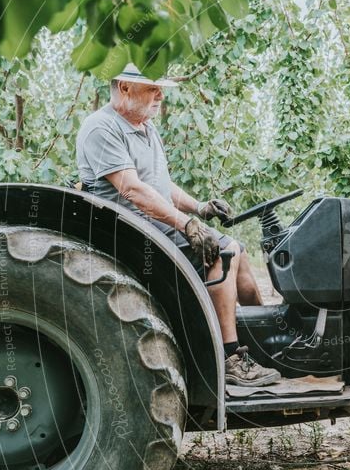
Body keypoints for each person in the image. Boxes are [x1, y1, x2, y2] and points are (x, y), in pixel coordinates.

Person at [75, 64, 281, 387]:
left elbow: (162, 186)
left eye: (161, 89)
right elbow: (132, 189)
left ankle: (266, 342)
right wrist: (187, 224)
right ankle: (229, 358)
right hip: (131, 232)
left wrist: (200, 208)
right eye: (153, 88)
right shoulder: (101, 128)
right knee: (221, 252)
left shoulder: (145, 128)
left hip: (155, 224)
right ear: (125, 87)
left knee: (238, 252)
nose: (160, 95)